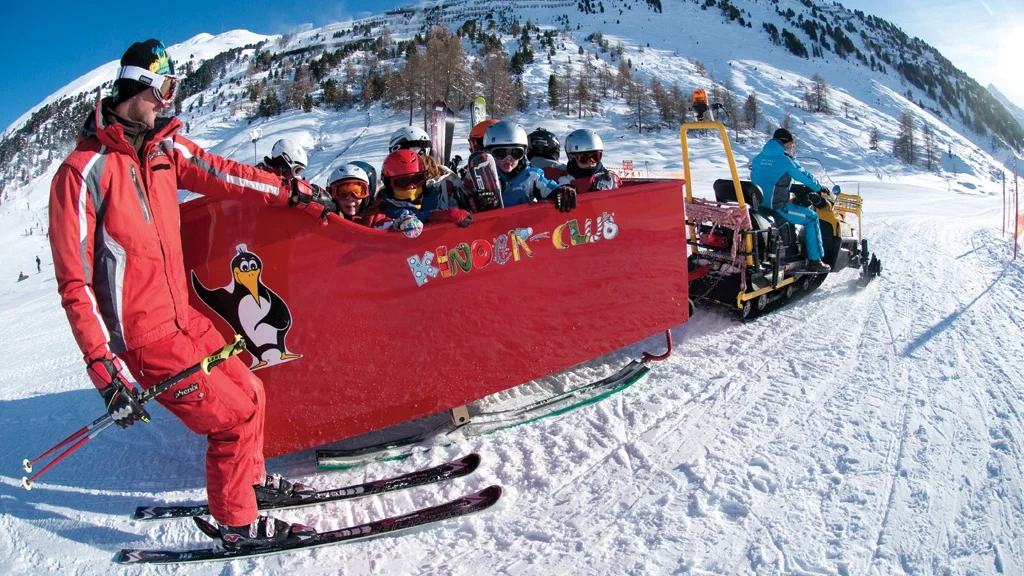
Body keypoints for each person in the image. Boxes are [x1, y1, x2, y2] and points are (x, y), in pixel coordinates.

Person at [47, 39, 328, 550]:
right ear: (136, 87)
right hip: (148, 338)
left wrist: (288, 190)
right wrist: (104, 368)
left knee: (252, 393)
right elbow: (75, 282)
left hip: (186, 322)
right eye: (164, 90)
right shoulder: (83, 173)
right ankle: (236, 525)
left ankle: (250, 486)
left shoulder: (164, 149)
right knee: (231, 420)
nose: (168, 104)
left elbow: (227, 176)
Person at [749, 128, 831, 273]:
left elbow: (765, 179)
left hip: (758, 206)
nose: (792, 148)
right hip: (777, 207)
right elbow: (803, 175)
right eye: (792, 145)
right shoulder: (785, 159)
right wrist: (818, 188)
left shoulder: (759, 158)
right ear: (786, 144)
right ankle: (814, 260)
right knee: (811, 218)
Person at [481, 121, 576, 212]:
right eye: (500, 153)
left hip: (524, 226)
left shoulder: (531, 176)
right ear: (489, 153)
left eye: (516, 153)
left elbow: (549, 188)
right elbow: (467, 199)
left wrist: (562, 191)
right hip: (491, 226)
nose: (509, 159)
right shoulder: (481, 177)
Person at [378, 149, 473, 237]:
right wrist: (397, 225)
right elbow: (378, 227)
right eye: (402, 182)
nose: (411, 186)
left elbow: (462, 216)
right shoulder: (384, 207)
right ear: (388, 183)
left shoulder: (439, 195)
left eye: (417, 180)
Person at [326, 163, 389, 228]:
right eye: (343, 193)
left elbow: (385, 225)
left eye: (357, 192)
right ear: (331, 194)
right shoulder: (327, 215)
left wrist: (396, 226)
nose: (350, 198)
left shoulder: (372, 216)